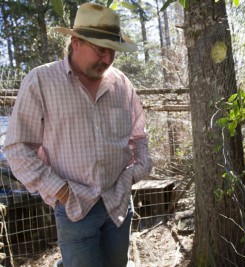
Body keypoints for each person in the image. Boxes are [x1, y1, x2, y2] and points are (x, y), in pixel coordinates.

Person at [3, 3, 152, 267]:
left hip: (118, 204)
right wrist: (60, 191)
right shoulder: (41, 82)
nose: (107, 59)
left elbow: (138, 138)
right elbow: (17, 147)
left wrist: (132, 175)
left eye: (112, 52)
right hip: (74, 208)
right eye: (100, 50)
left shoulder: (121, 84)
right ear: (75, 42)